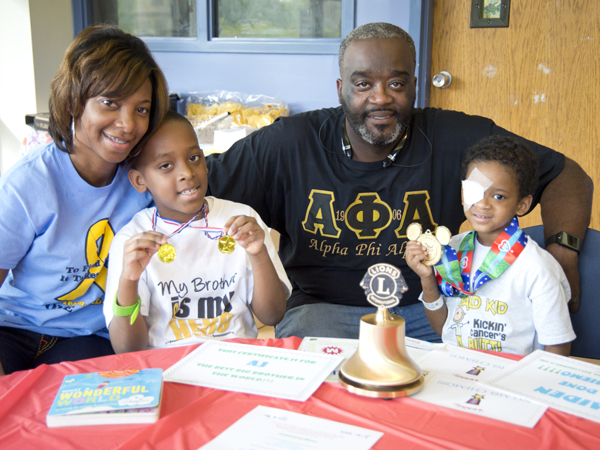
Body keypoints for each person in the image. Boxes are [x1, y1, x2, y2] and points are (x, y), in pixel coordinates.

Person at [205, 22, 593, 341]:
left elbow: (565, 173)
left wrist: (564, 249)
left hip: (431, 305)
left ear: (414, 86)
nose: (380, 98)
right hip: (321, 311)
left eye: (396, 83)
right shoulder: (290, 142)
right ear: (341, 90)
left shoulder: (454, 136)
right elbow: (193, 187)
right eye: (363, 85)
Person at [0, 25, 170, 375]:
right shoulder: (28, 184)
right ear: (74, 101)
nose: (127, 124)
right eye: (110, 103)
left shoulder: (145, 179)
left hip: (89, 336)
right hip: (12, 328)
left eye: (141, 109)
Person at [103, 111, 290, 352]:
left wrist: (258, 254)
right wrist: (129, 280)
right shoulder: (132, 241)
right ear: (140, 180)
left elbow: (272, 315)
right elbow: (127, 350)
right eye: (166, 165)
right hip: (167, 366)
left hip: (236, 360)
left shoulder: (243, 221)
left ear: (204, 159)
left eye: (193, 158)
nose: (187, 173)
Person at [405, 136, 575, 355]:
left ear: (522, 205)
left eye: (498, 196)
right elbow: (443, 329)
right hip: (458, 373)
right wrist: (427, 278)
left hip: (514, 380)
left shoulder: (537, 267)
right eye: (473, 191)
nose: (482, 204)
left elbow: (558, 346)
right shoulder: (450, 251)